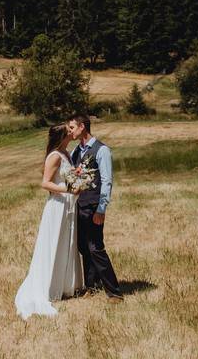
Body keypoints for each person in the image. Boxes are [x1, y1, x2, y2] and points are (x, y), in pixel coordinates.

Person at [14, 125, 84, 319]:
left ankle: (66, 285)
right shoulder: (54, 155)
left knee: (67, 242)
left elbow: (68, 177)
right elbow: (45, 183)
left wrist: (78, 179)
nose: (72, 132)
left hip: (68, 205)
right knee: (55, 242)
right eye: (69, 130)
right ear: (62, 136)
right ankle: (50, 286)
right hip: (58, 206)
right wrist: (68, 189)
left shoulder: (66, 153)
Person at [67, 114, 123, 302]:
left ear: (82, 127)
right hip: (79, 206)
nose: (70, 131)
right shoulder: (76, 151)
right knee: (84, 247)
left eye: (72, 127)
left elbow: (107, 181)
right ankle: (91, 285)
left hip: (92, 207)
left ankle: (114, 291)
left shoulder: (102, 150)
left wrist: (101, 208)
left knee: (95, 247)